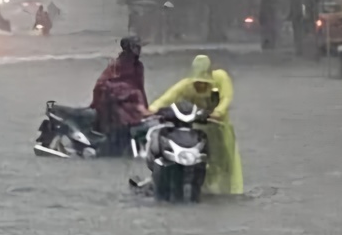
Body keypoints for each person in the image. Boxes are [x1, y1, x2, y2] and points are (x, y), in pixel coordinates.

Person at [147, 54, 243, 195]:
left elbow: (227, 97)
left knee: (225, 161)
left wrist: (218, 112)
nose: (201, 85)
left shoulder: (221, 78)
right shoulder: (187, 85)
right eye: (198, 82)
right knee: (203, 159)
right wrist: (152, 109)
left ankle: (230, 191)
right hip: (200, 129)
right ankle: (201, 187)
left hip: (220, 128)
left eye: (204, 82)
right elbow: (170, 95)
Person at [90, 36, 149, 133]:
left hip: (132, 100)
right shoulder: (117, 64)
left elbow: (140, 86)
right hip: (114, 99)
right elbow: (102, 83)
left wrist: (144, 106)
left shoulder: (138, 66)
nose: (139, 50)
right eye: (136, 47)